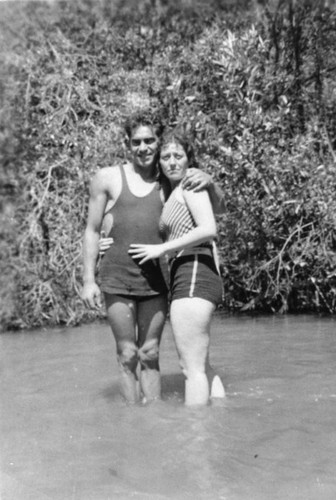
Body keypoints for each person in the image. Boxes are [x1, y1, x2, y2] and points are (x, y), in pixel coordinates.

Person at [81, 109, 225, 404]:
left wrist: (209, 180)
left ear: (158, 143)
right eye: (136, 141)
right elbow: (93, 229)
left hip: (157, 281)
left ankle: (155, 419)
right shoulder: (107, 177)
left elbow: (214, 211)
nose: (143, 147)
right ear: (128, 143)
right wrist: (88, 279)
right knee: (127, 353)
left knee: (150, 353)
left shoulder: (170, 182)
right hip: (116, 277)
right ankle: (134, 424)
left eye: (149, 141)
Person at [128, 130, 225, 406]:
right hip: (194, 275)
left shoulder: (190, 185)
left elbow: (209, 228)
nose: (172, 162)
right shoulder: (174, 191)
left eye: (178, 156)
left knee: (190, 370)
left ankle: (195, 440)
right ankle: (219, 417)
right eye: (166, 157)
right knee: (202, 366)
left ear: (188, 159)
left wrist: (161, 249)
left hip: (194, 272)